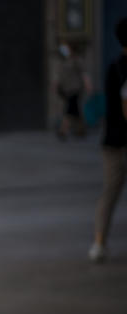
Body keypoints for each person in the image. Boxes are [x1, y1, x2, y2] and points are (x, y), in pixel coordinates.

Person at [91, 19, 127, 264]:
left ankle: (99, 242)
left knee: (109, 193)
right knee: (110, 193)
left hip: (111, 141)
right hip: (119, 141)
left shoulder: (113, 67)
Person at [56, 42, 90, 140]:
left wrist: (88, 84)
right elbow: (61, 76)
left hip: (74, 89)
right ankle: (81, 130)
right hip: (66, 90)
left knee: (69, 110)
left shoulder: (76, 60)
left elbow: (84, 73)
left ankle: (63, 130)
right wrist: (57, 85)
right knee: (75, 111)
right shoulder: (64, 61)